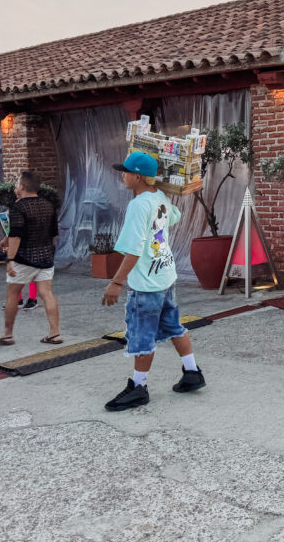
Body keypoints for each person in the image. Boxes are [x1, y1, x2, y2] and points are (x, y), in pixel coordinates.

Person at [102, 151, 204, 411]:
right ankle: (192, 372)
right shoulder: (159, 196)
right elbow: (174, 217)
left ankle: (139, 387)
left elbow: (134, 249)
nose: (122, 176)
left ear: (137, 176)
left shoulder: (138, 205)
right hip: (165, 273)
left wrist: (116, 282)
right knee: (172, 325)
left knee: (141, 335)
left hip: (147, 281)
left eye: (125, 172)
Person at [0, 171, 62, 346]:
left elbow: (16, 235)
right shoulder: (48, 205)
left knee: (12, 295)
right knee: (47, 294)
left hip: (24, 258)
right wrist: (7, 239)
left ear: (22, 186)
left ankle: (7, 334)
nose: (15, 187)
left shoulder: (18, 207)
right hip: (45, 257)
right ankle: (54, 334)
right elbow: (52, 233)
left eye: (16, 183)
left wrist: (10, 259)